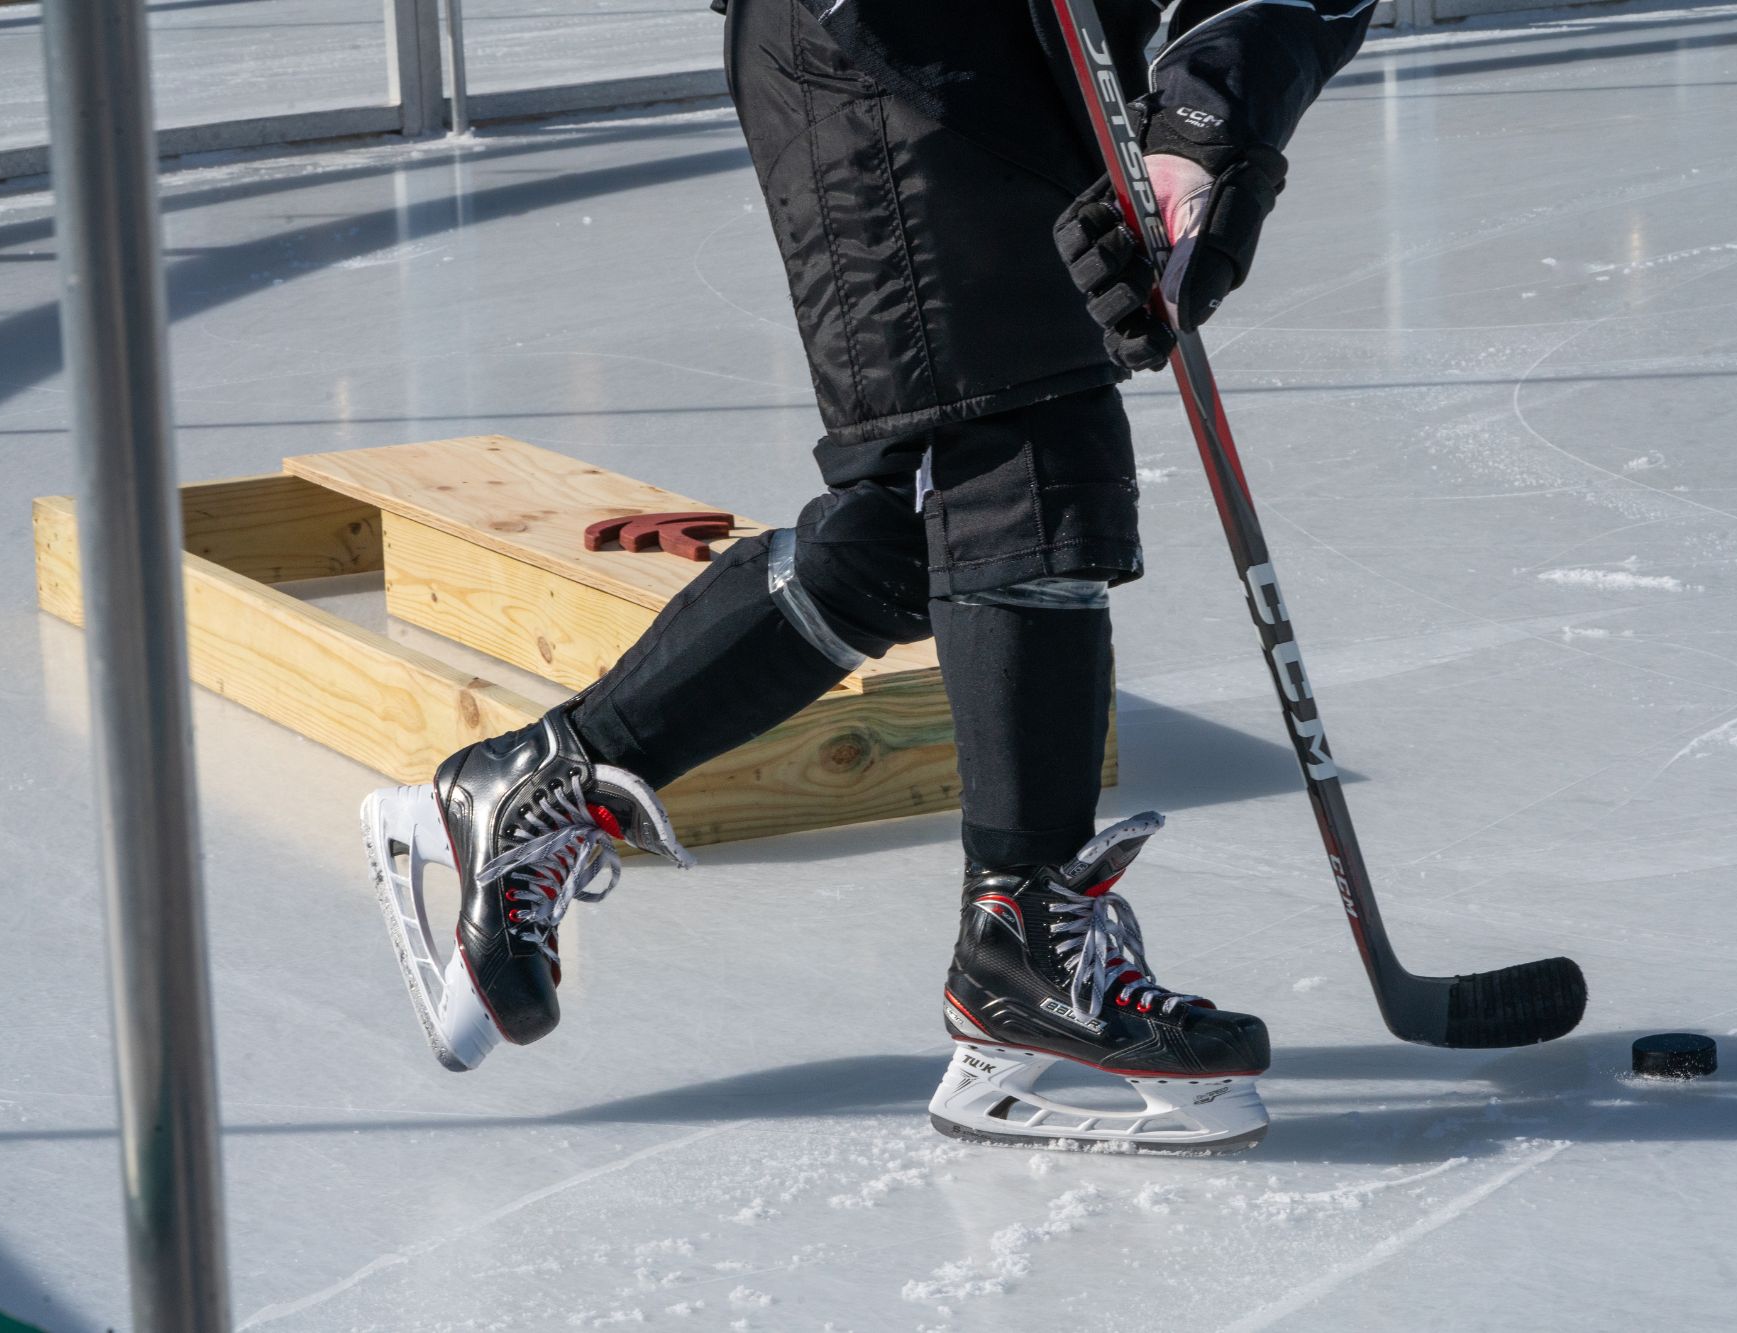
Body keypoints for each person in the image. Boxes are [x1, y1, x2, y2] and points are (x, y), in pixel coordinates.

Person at [363, 0, 1375, 1152]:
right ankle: (1021, 940)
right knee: (1015, 454)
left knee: (903, 533)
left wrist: (1200, 130)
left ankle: (538, 786)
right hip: (878, 32)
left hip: (1054, 53)